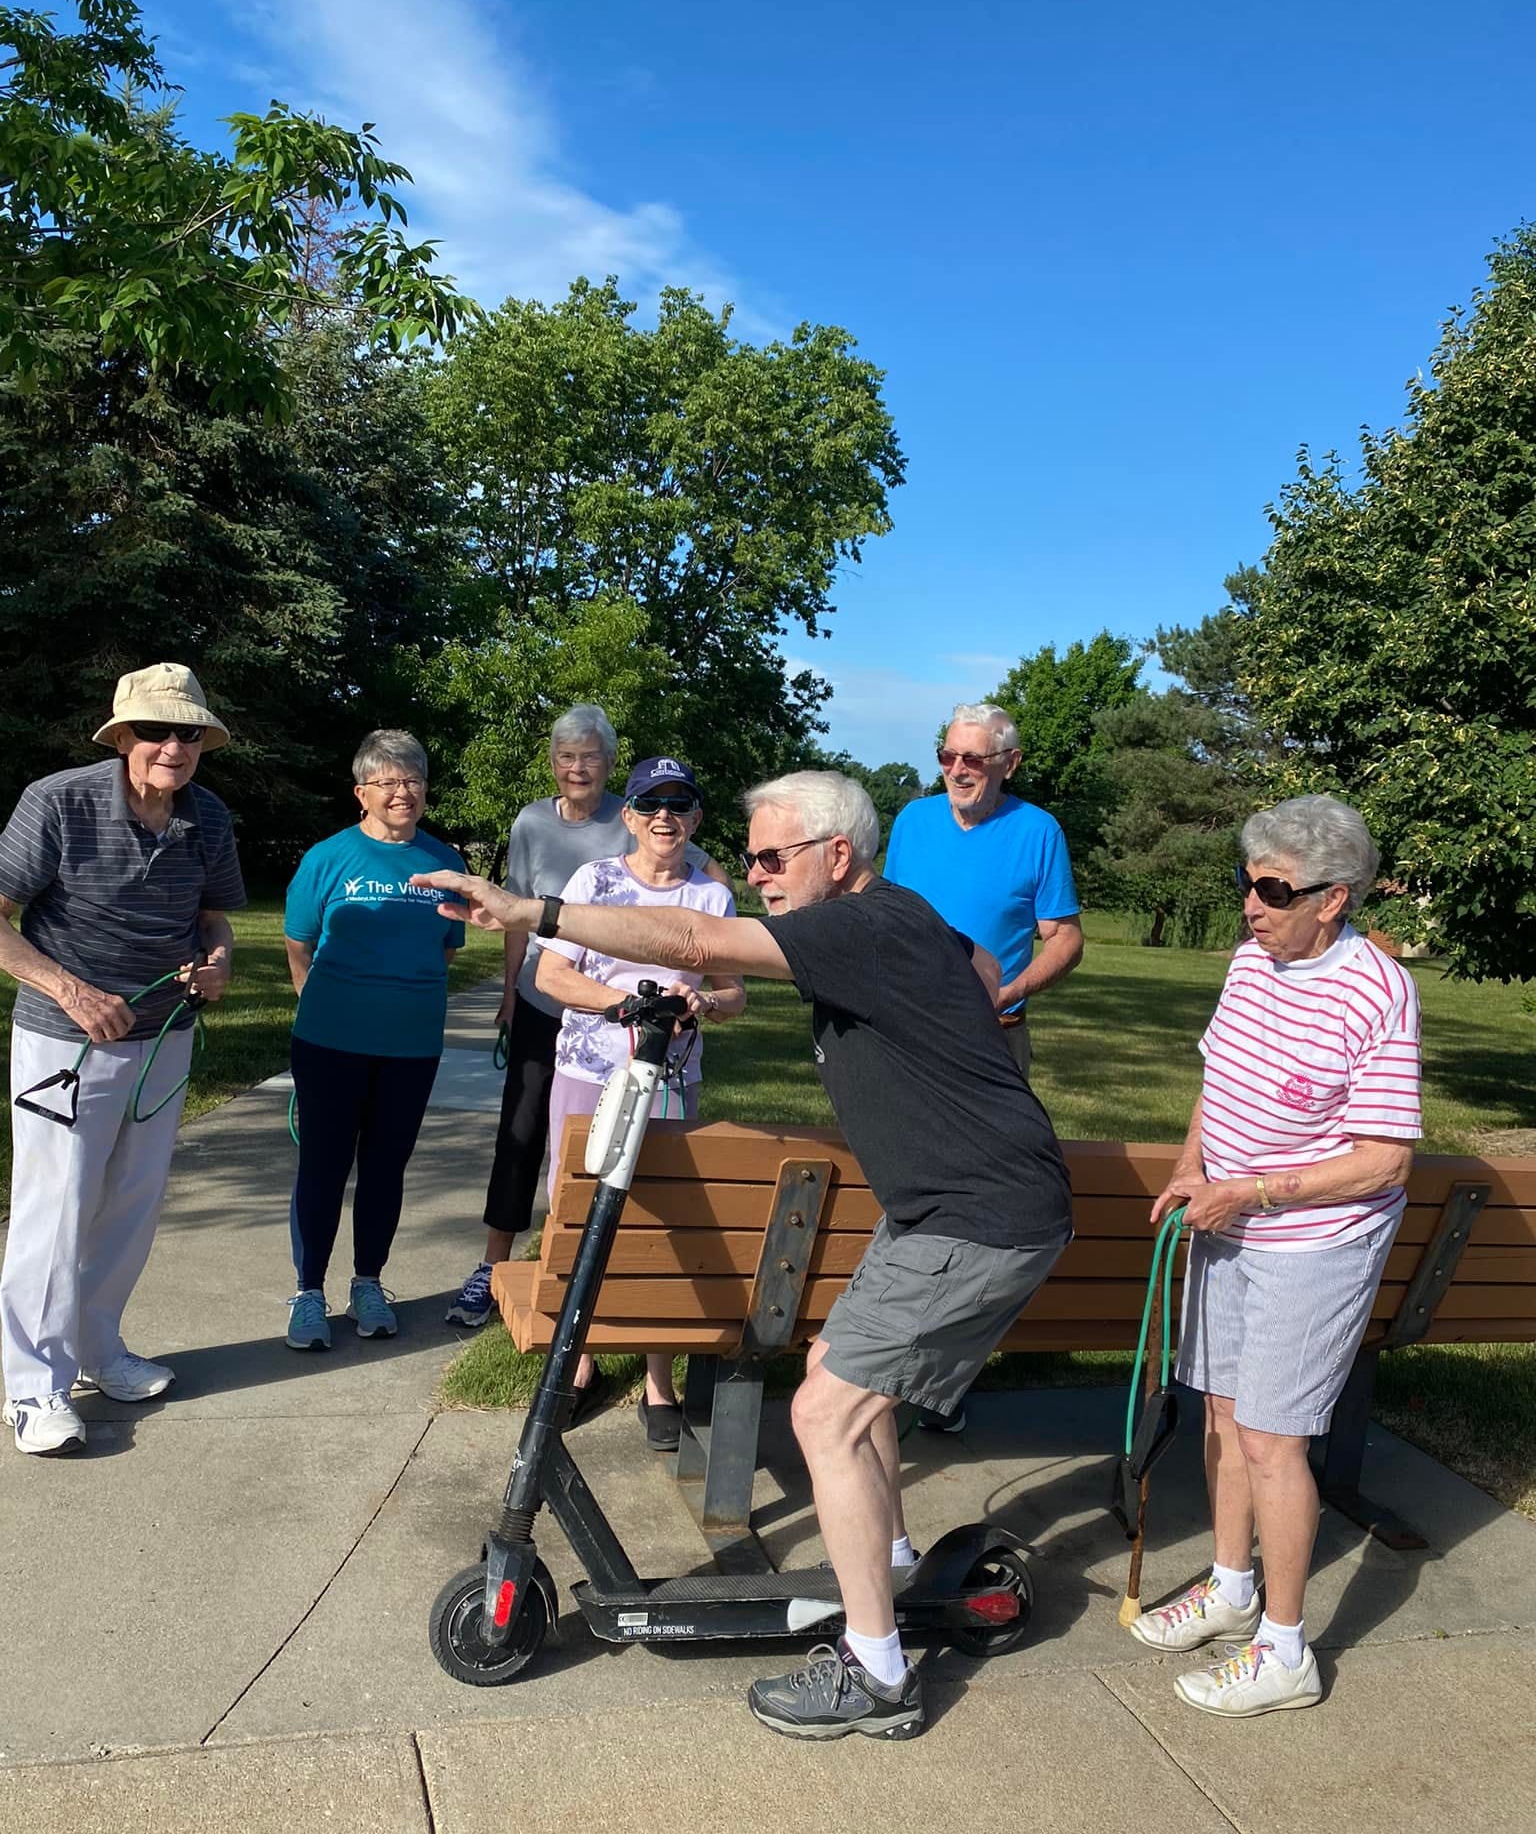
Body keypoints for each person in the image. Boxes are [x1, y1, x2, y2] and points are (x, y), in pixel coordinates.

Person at [412, 770, 1074, 1742]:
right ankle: (888, 1562)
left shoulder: (856, 925)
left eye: (772, 857)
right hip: (952, 1202)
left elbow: (693, 942)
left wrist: (529, 911)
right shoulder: (899, 915)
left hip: (975, 1214)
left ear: (837, 855)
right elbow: (979, 974)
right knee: (839, 1373)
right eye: (752, 857)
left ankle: (878, 1673)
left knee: (825, 1413)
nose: (754, 873)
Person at [1131, 795, 1421, 1717]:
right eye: (1246, 882)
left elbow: (1383, 1160)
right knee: (1221, 1411)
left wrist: (1251, 1192)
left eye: (1273, 889)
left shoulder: (1378, 989)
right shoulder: (1250, 961)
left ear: (1333, 899)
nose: (1251, 905)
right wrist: (1191, 1169)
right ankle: (1231, 1586)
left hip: (1315, 1240)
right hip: (1227, 1221)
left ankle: (1287, 1652)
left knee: (1272, 1437)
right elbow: (1215, 1084)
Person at [0, 664, 243, 1455]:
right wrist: (71, 991)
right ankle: (33, 1387)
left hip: (164, 1036)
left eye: (188, 733)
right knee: (55, 1207)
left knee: (131, 1204)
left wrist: (218, 962)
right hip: (64, 1040)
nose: (173, 746)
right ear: (121, 737)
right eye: (155, 730)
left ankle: (98, 1349)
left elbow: (215, 919)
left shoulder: (208, 815)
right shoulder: (58, 801)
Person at [448, 707, 721, 1330]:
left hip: (619, 1019)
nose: (578, 768)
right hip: (546, 996)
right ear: (553, 764)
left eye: (590, 757)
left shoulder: (638, 813)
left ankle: (602, 1276)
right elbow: (519, 913)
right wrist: (511, 992)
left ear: (609, 765)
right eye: (567, 757)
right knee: (521, 1135)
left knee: (615, 1147)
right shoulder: (532, 822)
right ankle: (493, 1264)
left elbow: (703, 872)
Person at [535, 756, 745, 1446]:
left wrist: (703, 1002)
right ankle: (581, 1360)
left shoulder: (711, 898)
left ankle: (659, 1382)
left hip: (670, 1079)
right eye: (651, 805)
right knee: (576, 1209)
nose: (665, 818)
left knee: (664, 1220)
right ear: (628, 816)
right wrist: (624, 1003)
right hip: (587, 1071)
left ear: (696, 819)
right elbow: (552, 974)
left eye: (679, 806)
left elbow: (734, 992)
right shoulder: (592, 882)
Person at [281, 731, 466, 1351]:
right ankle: (309, 1291)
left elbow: (446, 948)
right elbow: (299, 942)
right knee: (324, 1165)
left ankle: (368, 1282)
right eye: (387, 782)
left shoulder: (446, 864)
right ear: (362, 793)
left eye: (411, 780)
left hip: (411, 1044)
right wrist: (317, 1001)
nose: (401, 792)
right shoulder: (327, 857)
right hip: (330, 1040)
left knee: (386, 1166)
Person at [884, 702, 1083, 1082]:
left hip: (993, 1037)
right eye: (947, 756)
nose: (956, 770)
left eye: (973, 760)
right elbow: (886, 916)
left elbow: (1065, 939)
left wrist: (1007, 993)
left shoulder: (1039, 832)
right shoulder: (912, 820)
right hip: (906, 1030)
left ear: (1010, 763)